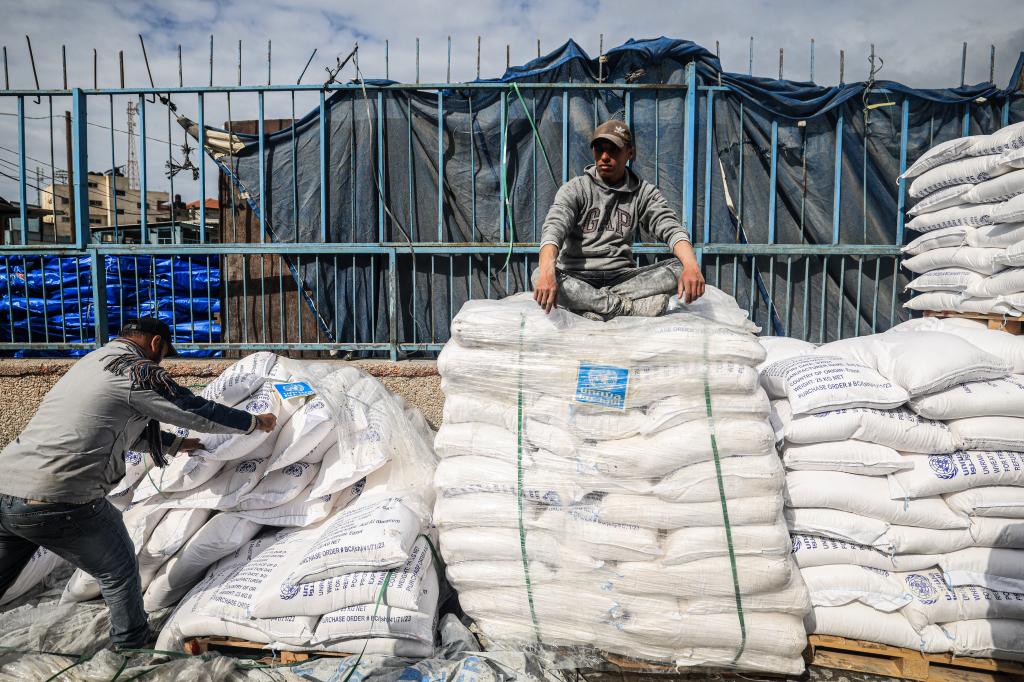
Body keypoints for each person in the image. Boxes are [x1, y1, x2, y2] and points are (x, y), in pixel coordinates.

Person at [0, 317, 277, 649]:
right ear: (156, 343)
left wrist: (176, 445)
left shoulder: (93, 362)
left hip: (7, 487)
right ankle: (132, 644)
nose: (162, 361)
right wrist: (252, 422)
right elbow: (189, 408)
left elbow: (118, 428)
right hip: (59, 492)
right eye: (164, 353)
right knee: (117, 568)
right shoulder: (136, 371)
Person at [532, 120, 705, 319]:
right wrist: (547, 271)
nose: (605, 157)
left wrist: (692, 266)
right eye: (599, 149)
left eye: (613, 150)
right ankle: (623, 308)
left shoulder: (642, 193)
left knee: (682, 267)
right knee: (539, 274)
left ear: (630, 153)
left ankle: (592, 307)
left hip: (622, 278)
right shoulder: (576, 189)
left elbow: (670, 227)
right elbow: (554, 228)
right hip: (577, 275)